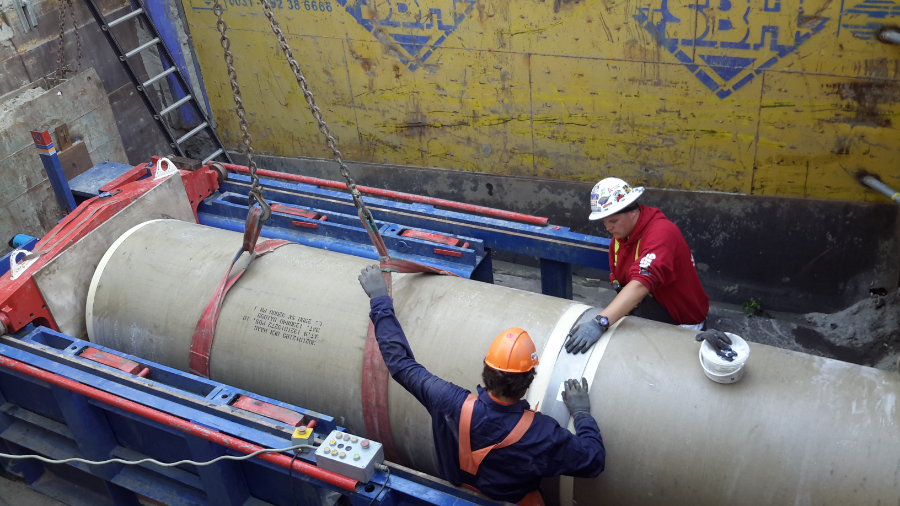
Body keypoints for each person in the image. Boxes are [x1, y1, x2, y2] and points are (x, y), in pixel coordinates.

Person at [358, 265, 606, 505]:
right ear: (529, 380)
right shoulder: (542, 434)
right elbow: (593, 460)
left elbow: (399, 364)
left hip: (455, 496)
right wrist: (582, 414)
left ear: (486, 370)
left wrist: (380, 299)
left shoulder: (447, 401)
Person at [565, 177, 716, 355]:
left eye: (613, 220)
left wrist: (600, 322)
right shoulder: (620, 240)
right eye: (604, 222)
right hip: (648, 317)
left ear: (632, 211)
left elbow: (640, 284)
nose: (608, 228)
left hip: (682, 323)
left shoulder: (662, 234)